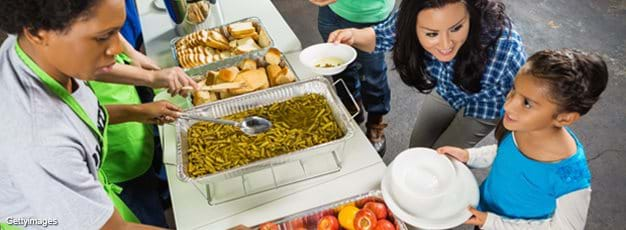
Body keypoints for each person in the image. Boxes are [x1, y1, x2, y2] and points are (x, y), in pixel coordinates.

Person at [0, 0, 197, 229]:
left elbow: (81, 95)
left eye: (117, 32)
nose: (116, 50)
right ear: (39, 33)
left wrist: (137, 112)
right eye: (103, 37)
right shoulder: (39, 142)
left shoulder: (33, 44)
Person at [327, 0, 526, 159]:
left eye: (456, 28)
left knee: (438, 159)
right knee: (417, 149)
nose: (446, 44)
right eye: (431, 33)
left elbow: (524, 101)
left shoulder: (505, 45)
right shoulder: (412, 17)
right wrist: (352, 35)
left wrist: (510, 144)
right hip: (447, 90)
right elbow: (381, 35)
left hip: (485, 106)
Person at [437, 49, 609, 229]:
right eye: (514, 89)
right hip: (486, 217)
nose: (508, 104)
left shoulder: (570, 177)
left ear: (564, 118)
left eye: (527, 103)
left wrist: (493, 222)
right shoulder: (524, 126)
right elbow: (504, 152)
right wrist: (469, 156)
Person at [309, 0, 395, 155]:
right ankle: (351, 108)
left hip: (369, 15)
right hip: (331, 11)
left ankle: (375, 122)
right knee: (339, 65)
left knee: (372, 76)